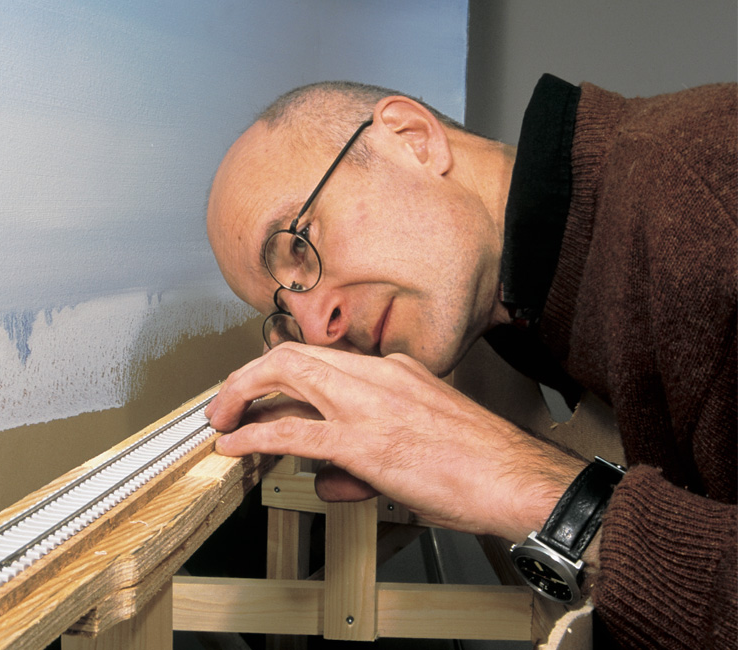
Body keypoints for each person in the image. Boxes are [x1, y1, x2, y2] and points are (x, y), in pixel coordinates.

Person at [203, 75, 736, 649]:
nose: (317, 328)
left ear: (413, 139)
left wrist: (545, 493)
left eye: (300, 243)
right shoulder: (522, 302)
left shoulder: (709, 200)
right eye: (286, 315)